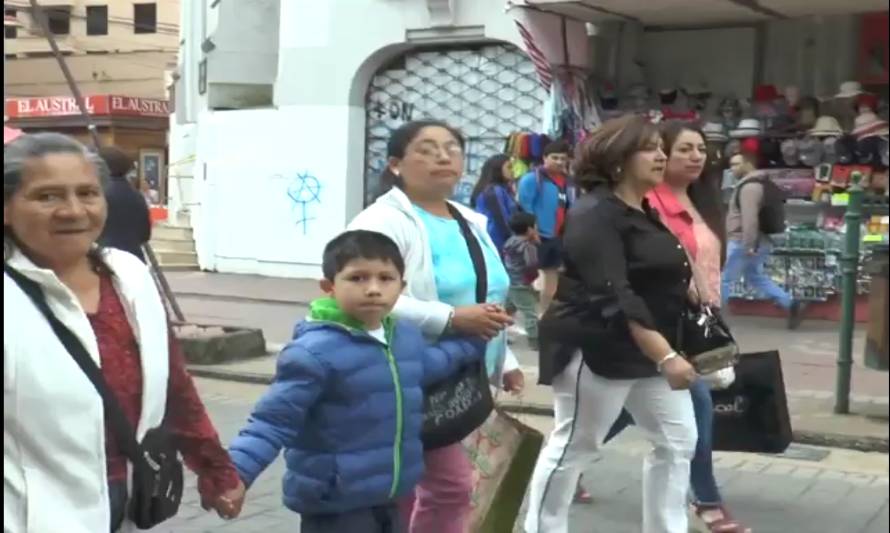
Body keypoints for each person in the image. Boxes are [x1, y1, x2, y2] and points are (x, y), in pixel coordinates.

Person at [3, 133, 243, 533]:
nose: (73, 210)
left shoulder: (128, 274)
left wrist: (215, 468)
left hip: (130, 503)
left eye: (87, 193)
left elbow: (174, 384)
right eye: (48, 196)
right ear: (7, 207)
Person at [227, 230, 485, 533]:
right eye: (358, 278)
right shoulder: (313, 353)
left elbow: (428, 365)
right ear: (329, 287)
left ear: (401, 287)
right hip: (337, 503)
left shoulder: (402, 336)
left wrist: (475, 343)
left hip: (391, 493)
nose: (373, 289)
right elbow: (271, 421)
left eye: (385, 278)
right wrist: (235, 474)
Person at [348, 120, 525, 533]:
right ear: (395, 164)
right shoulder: (381, 223)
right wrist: (451, 319)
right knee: (450, 486)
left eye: (452, 148)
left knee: (416, 487)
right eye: (426, 149)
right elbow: (367, 298)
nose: (443, 157)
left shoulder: (469, 220)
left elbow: (484, 293)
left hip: (465, 374)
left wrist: (507, 356)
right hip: (408, 375)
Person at [524, 115, 698, 533]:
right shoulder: (595, 213)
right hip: (597, 345)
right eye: (649, 148)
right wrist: (667, 355)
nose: (661, 155)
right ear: (617, 159)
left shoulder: (644, 208)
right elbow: (613, 293)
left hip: (650, 345)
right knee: (575, 446)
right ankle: (543, 528)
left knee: (678, 442)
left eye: (661, 147)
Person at [606, 122, 751, 533]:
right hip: (664, 323)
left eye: (701, 149)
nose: (695, 156)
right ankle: (706, 500)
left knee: (624, 410)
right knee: (697, 407)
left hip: (698, 321)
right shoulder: (648, 202)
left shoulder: (704, 200)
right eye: (684, 148)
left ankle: (571, 452)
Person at [721, 151, 804, 329]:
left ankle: (715, 316)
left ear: (747, 165)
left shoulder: (749, 187)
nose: (732, 168)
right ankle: (789, 303)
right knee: (754, 276)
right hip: (759, 240)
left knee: (726, 278)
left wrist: (748, 245)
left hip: (743, 240)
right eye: (731, 165)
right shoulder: (756, 184)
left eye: (736, 164)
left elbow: (750, 218)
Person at [517, 140, 572, 314]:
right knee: (524, 279)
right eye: (554, 158)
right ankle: (518, 314)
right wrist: (532, 231)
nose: (559, 162)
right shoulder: (532, 179)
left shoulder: (566, 181)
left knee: (552, 277)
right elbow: (526, 206)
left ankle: (543, 314)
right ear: (544, 158)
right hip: (537, 235)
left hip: (557, 236)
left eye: (563, 159)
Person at [96, 146, 152, 262]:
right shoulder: (137, 196)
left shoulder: (97, 194)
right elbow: (145, 234)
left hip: (104, 260)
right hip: (134, 259)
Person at [502, 211, 541, 350]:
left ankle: (498, 334)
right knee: (530, 313)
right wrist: (531, 280)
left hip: (510, 281)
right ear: (530, 229)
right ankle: (535, 341)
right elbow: (532, 265)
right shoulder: (528, 246)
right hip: (522, 284)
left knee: (506, 309)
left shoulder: (509, 241)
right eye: (535, 226)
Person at [471, 153, 519, 254]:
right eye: (509, 167)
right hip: (497, 241)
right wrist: (513, 242)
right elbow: (502, 219)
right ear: (497, 169)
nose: (513, 171)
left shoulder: (501, 189)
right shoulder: (494, 191)